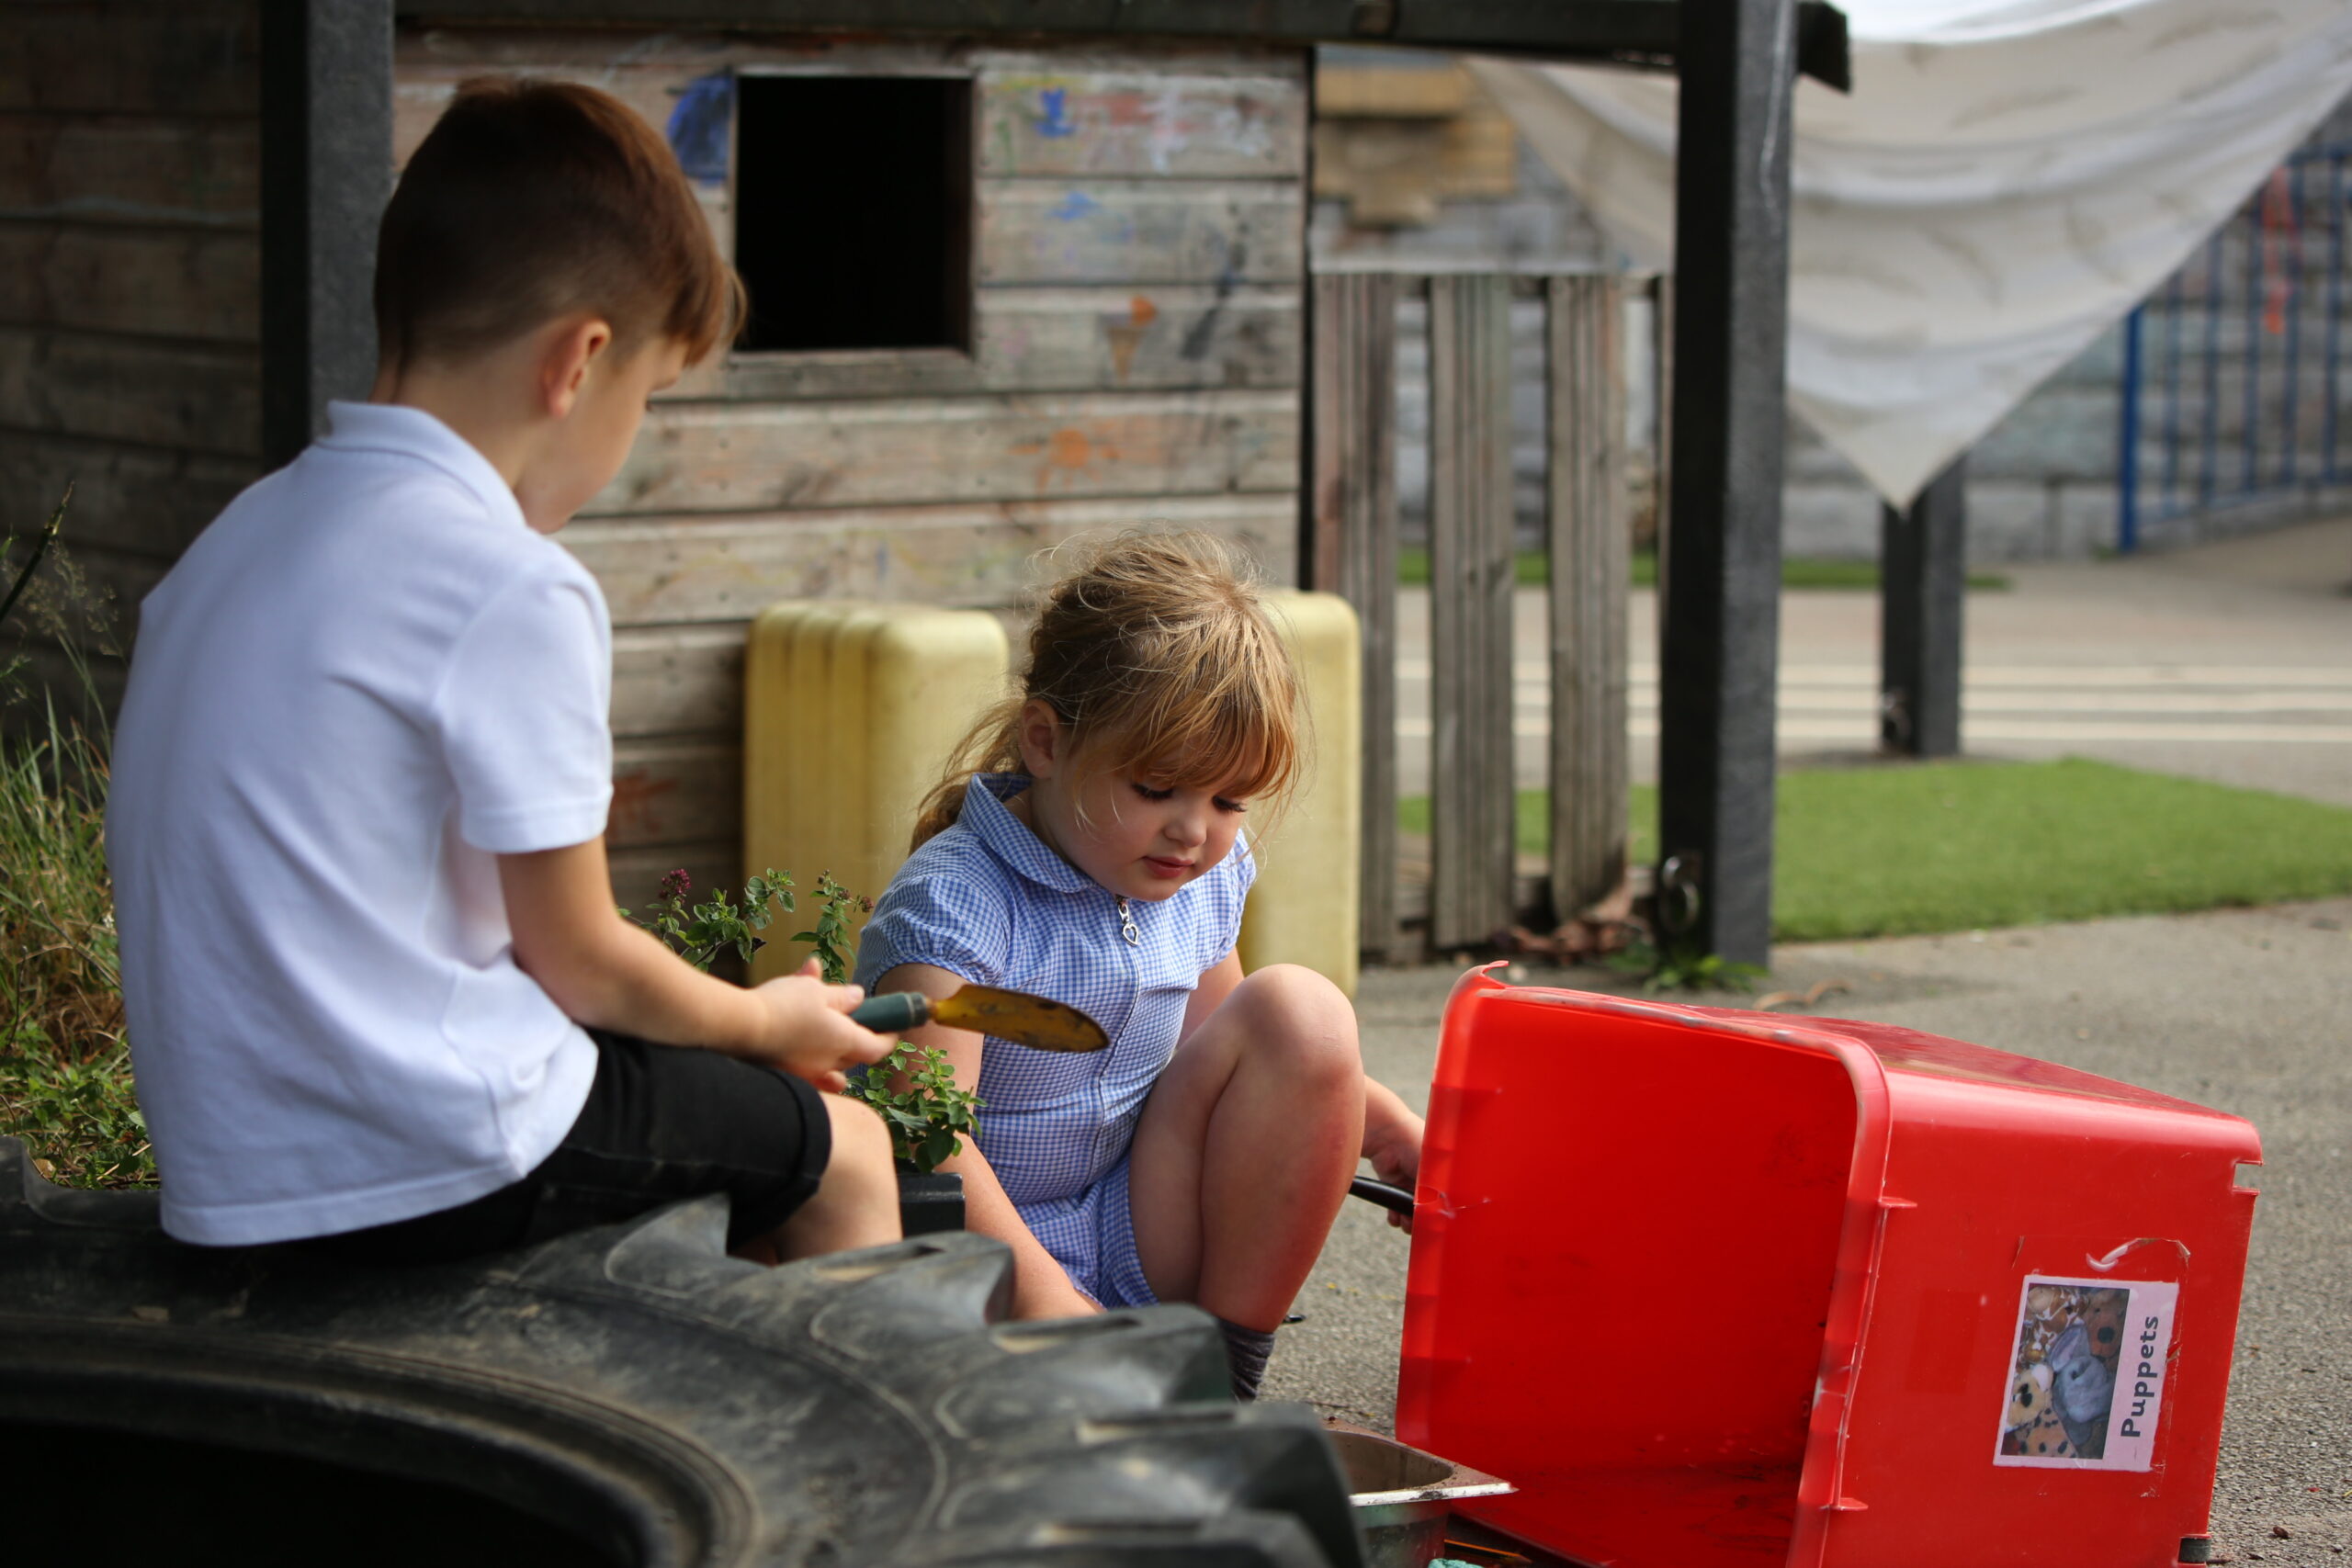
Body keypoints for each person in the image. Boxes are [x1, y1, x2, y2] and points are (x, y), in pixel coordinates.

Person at [106, 78, 899, 1266]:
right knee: (844, 1154)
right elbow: (575, 958)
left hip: (230, 1168)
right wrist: (759, 1018)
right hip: (425, 1142)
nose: (630, 437)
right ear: (578, 363)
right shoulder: (506, 581)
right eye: (649, 394)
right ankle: (829, 1455)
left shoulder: (232, 545)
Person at [854, 531, 1425, 1398]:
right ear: (1044, 743)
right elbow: (927, 1141)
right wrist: (1051, 1306)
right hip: (978, 1264)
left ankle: (1219, 1378)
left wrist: (1376, 1120)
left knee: (1302, 1012)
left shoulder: (1191, 878)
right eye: (1157, 789)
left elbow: (1227, 1047)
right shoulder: (959, 904)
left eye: (1229, 799)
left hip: (1130, 1223)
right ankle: (1087, 1369)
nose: (1194, 831)